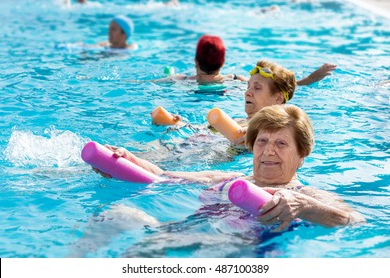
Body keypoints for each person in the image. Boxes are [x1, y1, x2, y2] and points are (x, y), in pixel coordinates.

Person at [94, 104, 365, 231]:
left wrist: (303, 207)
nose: (269, 150)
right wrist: (128, 158)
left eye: (281, 143)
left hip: (241, 254)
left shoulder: (302, 195)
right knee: (116, 213)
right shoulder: (229, 178)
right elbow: (163, 176)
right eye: (262, 141)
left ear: (302, 154)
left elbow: (354, 220)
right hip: (181, 237)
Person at [169, 34, 336, 85]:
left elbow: (143, 83)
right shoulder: (236, 82)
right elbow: (279, 86)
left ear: (196, 61)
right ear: (223, 62)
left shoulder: (180, 81)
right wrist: (311, 78)